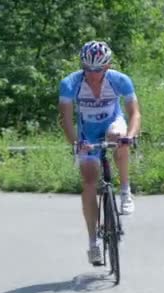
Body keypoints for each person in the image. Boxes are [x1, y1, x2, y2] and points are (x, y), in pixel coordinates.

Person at [58, 41, 142, 265]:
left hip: (112, 124)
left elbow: (134, 113)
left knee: (119, 138)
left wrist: (131, 135)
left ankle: (125, 191)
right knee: (88, 178)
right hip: (87, 135)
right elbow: (65, 120)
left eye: (98, 70)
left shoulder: (120, 80)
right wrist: (76, 142)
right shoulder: (70, 83)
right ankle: (93, 243)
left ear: (108, 66)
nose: (93, 74)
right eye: (88, 69)